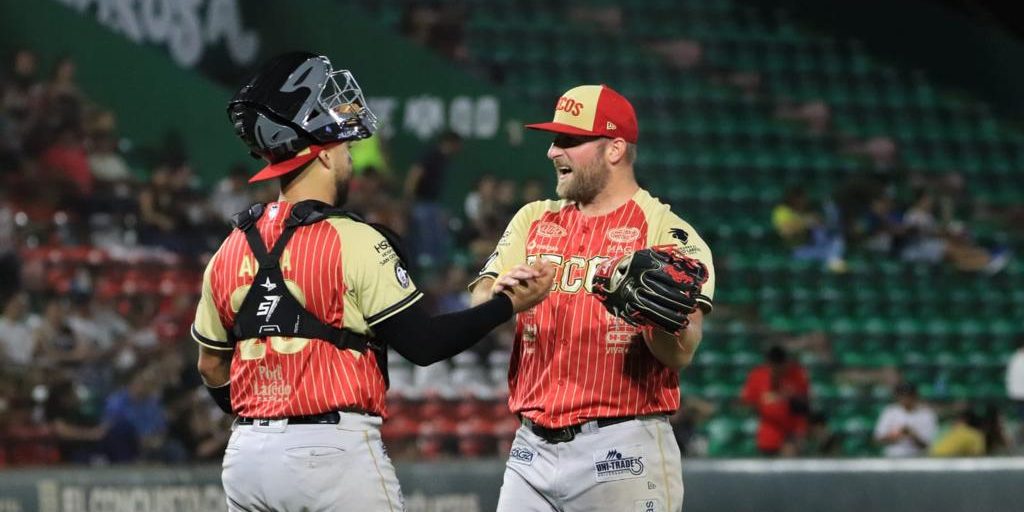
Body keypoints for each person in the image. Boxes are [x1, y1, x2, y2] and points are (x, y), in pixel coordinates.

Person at [193, 52, 554, 512]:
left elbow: (211, 366)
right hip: (329, 452)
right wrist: (507, 305)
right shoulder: (353, 239)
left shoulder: (229, 248)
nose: (349, 158)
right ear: (324, 157)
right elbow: (423, 344)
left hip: (246, 457)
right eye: (345, 150)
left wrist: (264, 419)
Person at [469, 84, 716, 511]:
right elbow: (479, 302)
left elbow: (681, 353)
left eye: (569, 140)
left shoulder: (666, 231)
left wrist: (653, 318)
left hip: (622, 446)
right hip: (530, 447)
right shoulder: (533, 218)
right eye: (554, 139)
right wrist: (502, 295)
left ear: (614, 149)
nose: (553, 151)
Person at [740, 345, 811, 456]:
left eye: (781, 367)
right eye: (774, 367)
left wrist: (791, 398)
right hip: (768, 433)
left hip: (792, 432)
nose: (778, 371)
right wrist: (762, 406)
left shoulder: (797, 374)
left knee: (789, 455)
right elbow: (747, 404)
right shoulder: (758, 375)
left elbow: (805, 406)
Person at [873, 382, 938, 457]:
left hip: (918, 457)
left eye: (908, 395)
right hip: (892, 457)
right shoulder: (890, 411)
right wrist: (896, 435)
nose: (905, 398)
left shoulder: (927, 414)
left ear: (915, 396)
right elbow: (877, 440)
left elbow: (929, 445)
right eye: (901, 395)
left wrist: (912, 434)